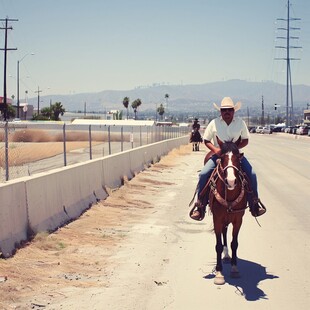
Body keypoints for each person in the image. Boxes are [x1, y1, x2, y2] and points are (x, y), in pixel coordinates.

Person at [190, 97, 266, 221]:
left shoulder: (240, 123)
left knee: (252, 174)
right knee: (203, 174)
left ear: (233, 111)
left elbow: (246, 140)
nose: (227, 112)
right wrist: (216, 150)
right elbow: (206, 140)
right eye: (224, 110)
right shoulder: (214, 123)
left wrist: (234, 149)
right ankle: (200, 206)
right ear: (220, 111)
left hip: (235, 156)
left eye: (229, 110)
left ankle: (254, 204)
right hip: (219, 155)